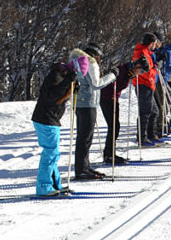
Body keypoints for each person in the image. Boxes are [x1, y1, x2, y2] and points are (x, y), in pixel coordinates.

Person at [31, 58, 82, 196]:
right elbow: (51, 97)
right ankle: (44, 187)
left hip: (49, 119)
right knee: (50, 153)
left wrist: (71, 90)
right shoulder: (56, 76)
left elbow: (58, 99)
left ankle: (54, 184)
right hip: (46, 119)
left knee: (53, 153)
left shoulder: (60, 77)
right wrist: (68, 82)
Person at [73, 44, 116, 179]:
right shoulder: (90, 63)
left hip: (79, 102)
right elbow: (96, 84)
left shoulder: (77, 61)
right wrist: (112, 76)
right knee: (86, 138)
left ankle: (84, 166)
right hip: (88, 103)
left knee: (83, 136)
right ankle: (81, 169)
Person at [99, 56, 148, 165]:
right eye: (142, 70)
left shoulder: (128, 71)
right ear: (137, 66)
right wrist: (127, 77)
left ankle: (110, 152)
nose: (141, 73)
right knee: (114, 126)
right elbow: (116, 83)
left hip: (113, 98)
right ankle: (109, 154)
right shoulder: (123, 70)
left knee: (115, 126)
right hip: (107, 98)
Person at [133, 32, 161, 145]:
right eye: (154, 43)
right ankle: (142, 137)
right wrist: (154, 70)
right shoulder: (142, 53)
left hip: (149, 85)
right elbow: (146, 72)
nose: (155, 46)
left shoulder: (146, 53)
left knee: (154, 111)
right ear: (150, 43)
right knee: (145, 112)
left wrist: (154, 67)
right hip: (143, 84)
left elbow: (150, 67)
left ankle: (151, 134)